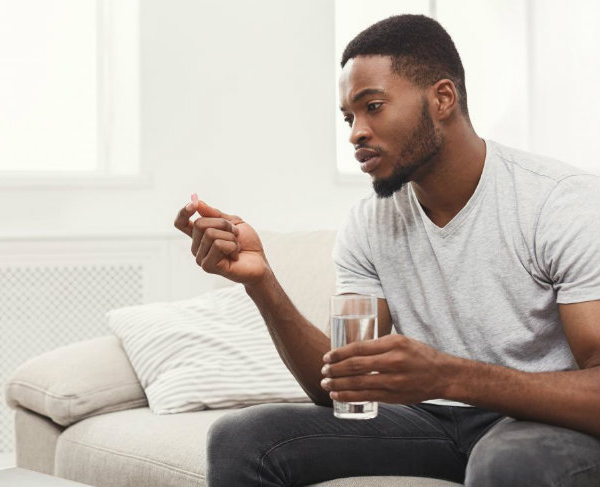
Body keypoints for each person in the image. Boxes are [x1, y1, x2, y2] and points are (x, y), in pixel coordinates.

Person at [173, 14, 600, 487]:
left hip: (540, 424)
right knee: (243, 439)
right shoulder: (369, 222)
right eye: (348, 117)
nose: (356, 132)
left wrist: (448, 376)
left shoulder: (559, 203)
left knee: (508, 463)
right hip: (431, 424)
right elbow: (344, 388)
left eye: (372, 107)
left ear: (442, 99)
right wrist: (261, 283)